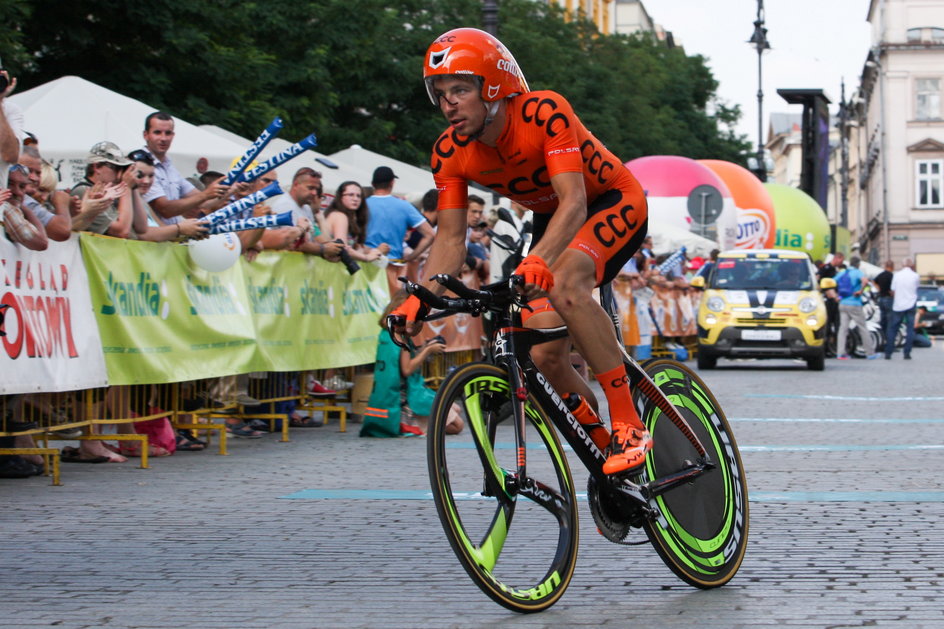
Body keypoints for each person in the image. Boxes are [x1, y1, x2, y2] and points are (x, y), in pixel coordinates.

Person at [392, 28, 651, 476]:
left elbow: (574, 201)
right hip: (555, 219)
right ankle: (606, 453)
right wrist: (421, 297)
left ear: (492, 87)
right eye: (440, 92)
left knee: (568, 284)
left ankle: (628, 420)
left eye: (460, 89)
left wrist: (538, 259)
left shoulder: (544, 111)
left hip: (608, 199)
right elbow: (451, 239)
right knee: (543, 353)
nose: (448, 102)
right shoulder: (449, 151)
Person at [361, 304, 462, 438]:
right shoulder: (401, 339)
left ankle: (428, 422)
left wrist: (423, 348)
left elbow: (402, 362)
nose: (419, 326)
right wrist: (427, 351)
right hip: (404, 402)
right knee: (457, 425)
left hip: (391, 398)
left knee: (455, 408)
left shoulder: (387, 334)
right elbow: (407, 369)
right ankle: (418, 425)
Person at [140, 111, 229, 225]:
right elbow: (165, 210)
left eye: (168, 133)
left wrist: (231, 189)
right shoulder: (140, 164)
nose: (163, 138)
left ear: (173, 135)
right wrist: (206, 194)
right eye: (157, 132)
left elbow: (204, 202)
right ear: (145, 135)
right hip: (149, 239)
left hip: (169, 238)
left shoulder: (169, 166)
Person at [364, 165, 435, 292]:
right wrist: (412, 256)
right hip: (393, 266)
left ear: (373, 184)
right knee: (391, 309)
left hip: (366, 263)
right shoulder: (404, 206)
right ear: (392, 183)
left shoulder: (363, 205)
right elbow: (430, 234)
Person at [269, 166, 344, 261]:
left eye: (316, 189)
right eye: (310, 188)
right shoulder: (285, 206)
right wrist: (324, 249)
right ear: (296, 185)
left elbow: (314, 238)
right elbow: (293, 243)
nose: (314, 193)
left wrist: (330, 249)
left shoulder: (306, 208)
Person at [69, 141, 133, 236]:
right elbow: (121, 231)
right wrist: (126, 186)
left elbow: (141, 230)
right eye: (116, 167)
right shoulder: (84, 191)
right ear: (97, 167)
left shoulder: (113, 194)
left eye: (123, 169)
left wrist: (134, 187)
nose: (120, 174)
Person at [324, 180, 388, 262]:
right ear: (340, 197)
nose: (355, 199)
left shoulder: (352, 217)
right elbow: (342, 249)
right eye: (351, 195)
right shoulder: (340, 216)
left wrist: (376, 251)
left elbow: (356, 247)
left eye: (359, 196)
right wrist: (367, 258)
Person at [835, 256, 879, 360]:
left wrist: (836, 296)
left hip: (842, 303)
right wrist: (860, 291)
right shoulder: (858, 272)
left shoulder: (843, 272)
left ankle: (840, 353)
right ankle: (870, 353)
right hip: (854, 303)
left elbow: (831, 282)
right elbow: (865, 281)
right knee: (862, 327)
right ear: (858, 264)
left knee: (843, 329)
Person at [884, 257, 921, 359]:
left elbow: (893, 290)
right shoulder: (915, 276)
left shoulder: (897, 275)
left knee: (893, 328)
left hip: (898, 305)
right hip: (911, 303)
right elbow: (917, 287)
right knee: (910, 329)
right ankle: (907, 353)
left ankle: (888, 352)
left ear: (902, 265)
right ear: (912, 265)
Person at [873, 260, 895, 342]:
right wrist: (892, 293)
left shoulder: (881, 275)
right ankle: (889, 341)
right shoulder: (891, 275)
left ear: (885, 266)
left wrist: (879, 289)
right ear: (892, 267)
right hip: (888, 298)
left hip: (881, 298)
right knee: (890, 321)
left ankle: (882, 339)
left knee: (883, 320)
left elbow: (874, 281)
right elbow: (893, 288)